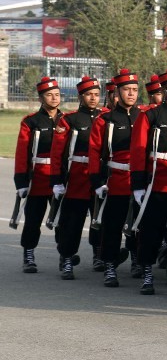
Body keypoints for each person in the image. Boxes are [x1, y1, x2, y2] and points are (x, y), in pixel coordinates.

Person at [130, 68, 167, 293]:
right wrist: (137, 184)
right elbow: (138, 151)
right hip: (156, 182)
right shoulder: (151, 116)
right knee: (150, 231)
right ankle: (147, 272)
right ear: (164, 90)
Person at [88, 70, 141, 288]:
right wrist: (97, 182)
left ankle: (138, 260)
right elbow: (94, 152)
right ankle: (110, 264)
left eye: (135, 90)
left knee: (139, 223)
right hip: (115, 180)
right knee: (113, 224)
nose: (131, 94)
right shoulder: (105, 120)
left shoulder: (144, 116)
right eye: (127, 90)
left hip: (139, 180)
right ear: (117, 93)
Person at [50, 76, 104, 279]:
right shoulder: (69, 120)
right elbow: (57, 153)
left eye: (97, 94)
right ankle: (66, 258)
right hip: (77, 179)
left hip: (98, 179)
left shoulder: (105, 117)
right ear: (81, 96)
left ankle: (99, 255)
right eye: (89, 94)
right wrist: (56, 181)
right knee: (71, 223)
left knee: (100, 220)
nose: (93, 98)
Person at [13, 76, 64, 273]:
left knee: (61, 219)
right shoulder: (31, 121)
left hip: (58, 178)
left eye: (57, 94)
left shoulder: (66, 120)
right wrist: (21, 181)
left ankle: (64, 254)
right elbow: (22, 153)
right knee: (33, 219)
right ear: (41, 98)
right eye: (49, 95)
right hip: (38, 179)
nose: (54, 98)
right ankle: (28, 254)